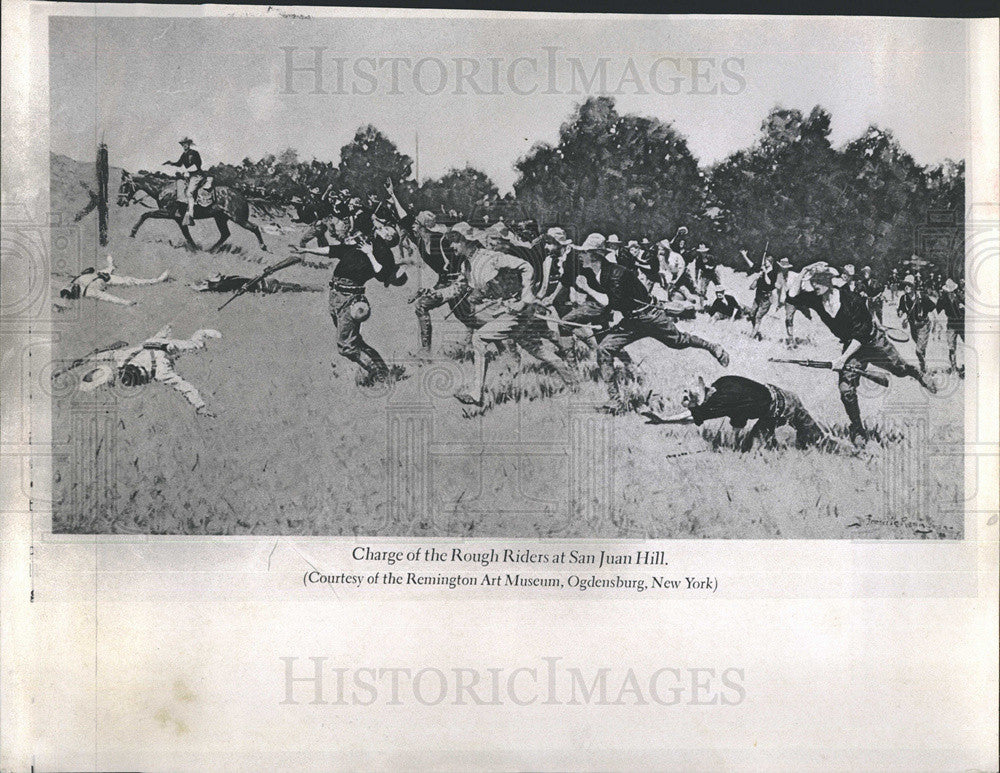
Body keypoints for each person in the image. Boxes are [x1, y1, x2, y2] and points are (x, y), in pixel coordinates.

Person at [572, 240, 729, 410]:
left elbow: (611, 303)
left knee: (679, 341)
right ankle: (615, 401)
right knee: (604, 349)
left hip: (650, 316)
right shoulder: (598, 273)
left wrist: (586, 289)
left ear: (594, 255)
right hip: (632, 321)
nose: (580, 256)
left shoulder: (616, 273)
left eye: (584, 252)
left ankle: (713, 347)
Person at [789, 264, 935, 443]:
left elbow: (862, 333)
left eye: (818, 281)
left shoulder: (851, 300)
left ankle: (917, 373)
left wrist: (842, 359)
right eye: (812, 282)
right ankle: (858, 430)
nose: (814, 285)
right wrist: (804, 271)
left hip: (873, 342)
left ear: (829, 282)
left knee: (900, 369)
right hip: (852, 347)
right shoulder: (817, 299)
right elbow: (792, 295)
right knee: (846, 389)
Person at [449, 224, 576, 407]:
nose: (452, 247)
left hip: (519, 310)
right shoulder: (466, 265)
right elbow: (460, 287)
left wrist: (525, 299)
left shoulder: (492, 257)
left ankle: (476, 394)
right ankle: (575, 383)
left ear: (467, 241)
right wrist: (435, 294)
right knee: (538, 350)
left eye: (455, 242)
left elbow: (526, 267)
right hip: (507, 311)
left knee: (479, 339)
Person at [297, 217, 406, 384]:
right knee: (354, 341)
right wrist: (306, 250)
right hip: (336, 295)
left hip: (350, 299)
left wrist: (370, 253)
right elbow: (335, 250)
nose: (381, 228)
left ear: (389, 237)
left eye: (386, 229)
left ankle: (381, 376)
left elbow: (382, 274)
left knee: (346, 346)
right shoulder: (364, 242)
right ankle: (382, 370)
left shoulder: (383, 252)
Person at [69, 327, 221, 416]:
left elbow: (184, 387)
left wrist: (200, 406)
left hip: (167, 346)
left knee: (196, 346)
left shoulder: (161, 372)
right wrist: (87, 360)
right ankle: (165, 330)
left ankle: (202, 332)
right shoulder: (124, 359)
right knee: (163, 332)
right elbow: (109, 354)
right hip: (150, 342)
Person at [59, 255, 169, 306]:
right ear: (73, 292)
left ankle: (111, 266)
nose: (71, 286)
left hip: (100, 274)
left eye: (69, 287)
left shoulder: (75, 281)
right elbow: (108, 298)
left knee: (109, 269)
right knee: (129, 281)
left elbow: (90, 273)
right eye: (70, 289)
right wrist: (126, 302)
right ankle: (158, 280)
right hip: (106, 280)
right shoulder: (88, 292)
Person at [897, 273, 937, 373]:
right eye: (905, 284)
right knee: (921, 348)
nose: (907, 287)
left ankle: (923, 368)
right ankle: (924, 365)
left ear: (914, 286)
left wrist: (937, 324)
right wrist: (900, 313)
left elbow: (933, 309)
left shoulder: (922, 297)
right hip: (913, 327)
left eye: (909, 285)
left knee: (918, 350)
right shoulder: (904, 298)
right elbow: (900, 311)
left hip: (923, 325)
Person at [163, 137, 204, 226]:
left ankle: (191, 213)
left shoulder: (194, 153)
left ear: (189, 144)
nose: (184, 145)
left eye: (185, 144)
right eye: (182, 144)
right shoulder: (184, 154)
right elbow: (179, 163)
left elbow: (198, 165)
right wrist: (171, 163)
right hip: (189, 176)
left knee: (189, 193)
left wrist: (186, 171)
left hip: (197, 175)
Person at [749, 253, 789, 340]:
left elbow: (769, 283)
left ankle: (751, 337)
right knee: (752, 314)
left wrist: (765, 273)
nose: (765, 263)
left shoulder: (774, 273)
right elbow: (752, 266)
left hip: (766, 298)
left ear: (770, 262)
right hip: (758, 296)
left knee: (758, 316)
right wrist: (744, 255)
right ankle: (755, 331)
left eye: (766, 262)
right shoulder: (763, 270)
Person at [936, 278, 964, 374]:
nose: (950, 293)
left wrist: (963, 307)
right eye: (948, 291)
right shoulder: (943, 298)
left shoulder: (959, 296)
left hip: (962, 323)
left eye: (951, 291)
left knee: (967, 343)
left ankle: (967, 365)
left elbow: (968, 305)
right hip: (951, 323)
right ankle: (953, 367)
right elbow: (937, 309)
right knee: (951, 346)